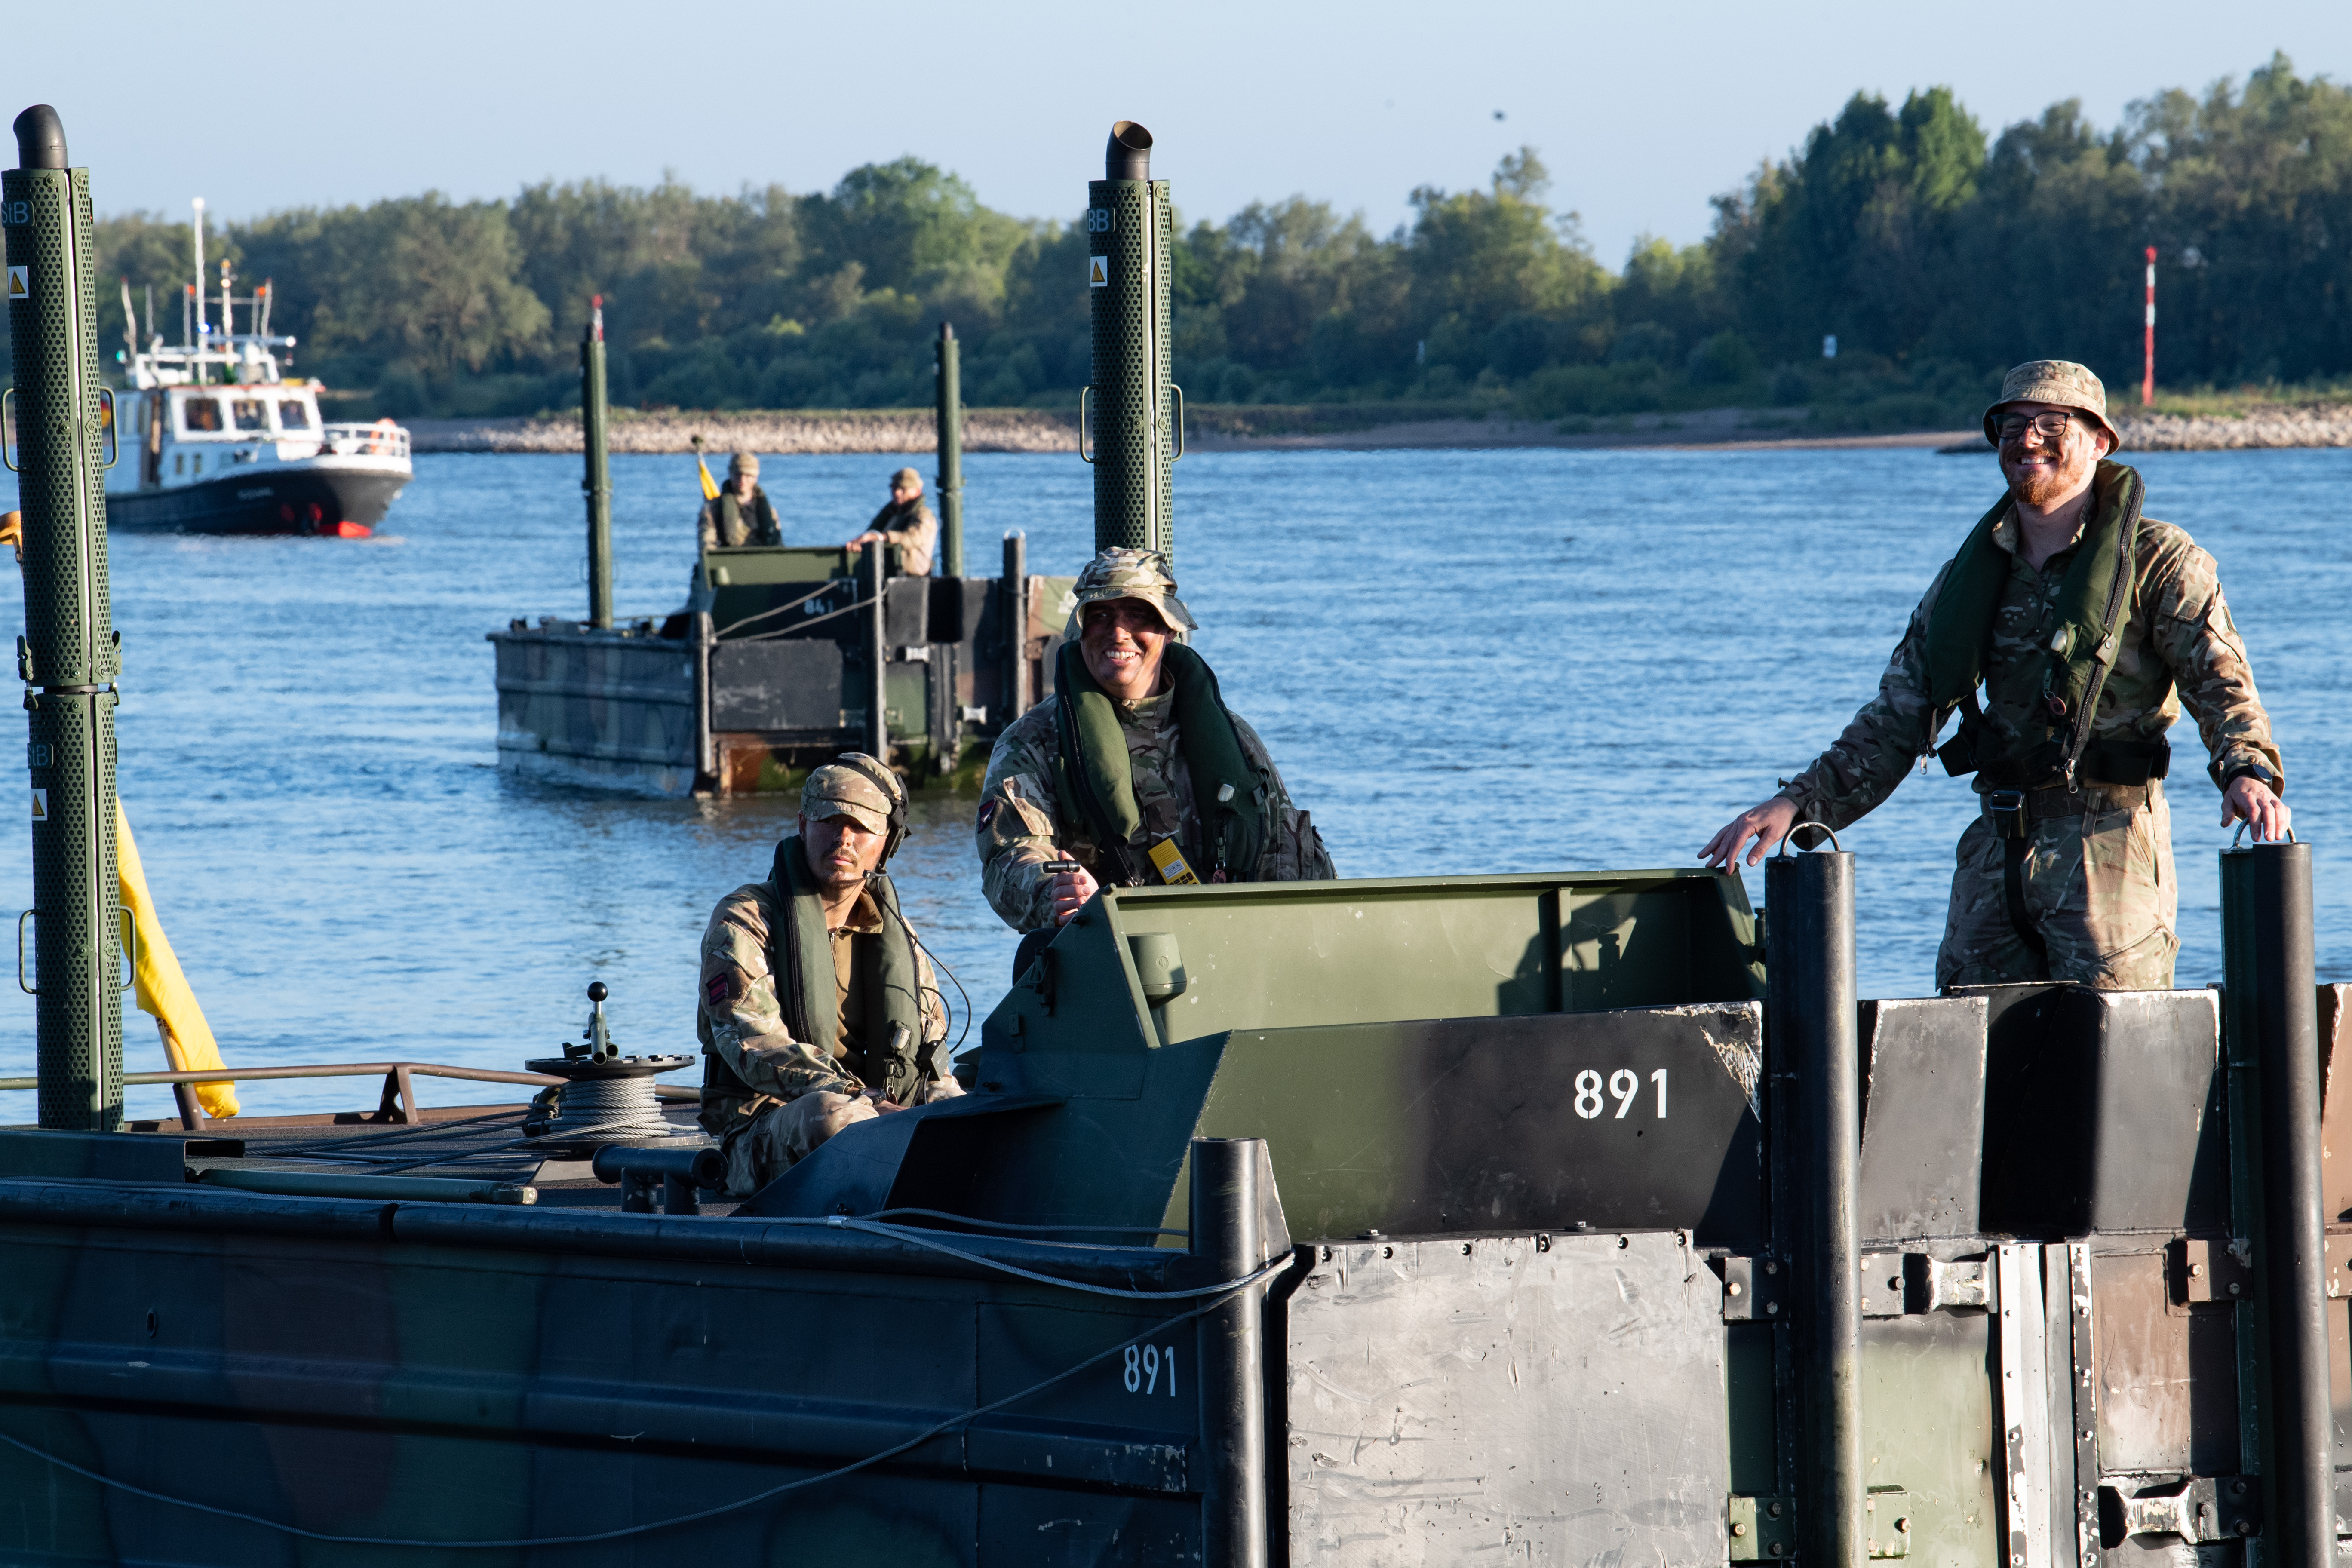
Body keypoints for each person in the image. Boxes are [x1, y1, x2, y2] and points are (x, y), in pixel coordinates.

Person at [1699, 359, 2288, 991]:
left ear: (2098, 441)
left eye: (2050, 422)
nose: (2026, 438)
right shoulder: (1968, 578)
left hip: (2110, 851)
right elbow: (1899, 715)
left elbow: (2221, 681)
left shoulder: (2157, 560)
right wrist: (1798, 801)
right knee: (1965, 1044)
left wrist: (2246, 769)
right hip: (1994, 850)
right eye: (2009, 425)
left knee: (2116, 1052)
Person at [976, 547, 1335, 966]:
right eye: (1101, 615)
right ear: (1080, 628)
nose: (1118, 632)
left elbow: (1281, 842)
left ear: (1169, 628)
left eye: (1138, 615)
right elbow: (1012, 855)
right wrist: (1051, 891)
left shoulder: (1233, 736)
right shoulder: (1033, 742)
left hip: (1237, 954)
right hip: (1111, 961)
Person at [696, 754, 961, 1195]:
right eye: (829, 820)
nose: (843, 838)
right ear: (802, 825)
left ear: (888, 841)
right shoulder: (745, 919)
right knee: (832, 1114)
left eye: (861, 827)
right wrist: (870, 1101)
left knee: (971, 1118)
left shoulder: (897, 934)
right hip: (764, 1129)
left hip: (880, 1114)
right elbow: (755, 1046)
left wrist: (953, 1114)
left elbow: (933, 1057)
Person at [845, 466, 938, 576]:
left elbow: (913, 538)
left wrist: (881, 538)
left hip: (914, 578)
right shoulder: (891, 513)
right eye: (894, 488)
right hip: (885, 574)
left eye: (903, 489)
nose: (897, 493)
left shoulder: (923, 515)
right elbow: (872, 532)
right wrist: (861, 543)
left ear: (918, 491)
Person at [698, 451, 781, 549]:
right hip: (728, 560)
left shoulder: (769, 512)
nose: (743, 480)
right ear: (731, 475)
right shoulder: (713, 509)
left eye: (748, 475)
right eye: (738, 475)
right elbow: (707, 544)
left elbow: (778, 545)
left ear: (756, 478)